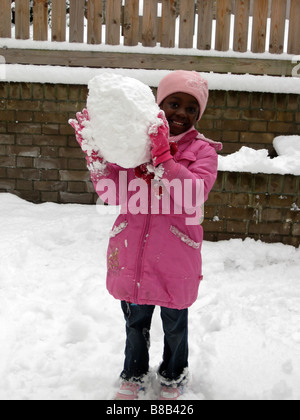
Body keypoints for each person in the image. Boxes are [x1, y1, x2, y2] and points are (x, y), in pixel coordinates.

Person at [69, 70, 222, 401]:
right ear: (159, 103)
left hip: (175, 254)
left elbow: (194, 194)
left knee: (174, 323)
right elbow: (112, 192)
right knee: (135, 321)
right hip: (133, 251)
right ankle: (134, 371)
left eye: (191, 108)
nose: (181, 112)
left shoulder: (203, 152)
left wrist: (164, 158)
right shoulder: (134, 143)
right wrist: (96, 158)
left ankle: (173, 372)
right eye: (174, 103)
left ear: (198, 114)